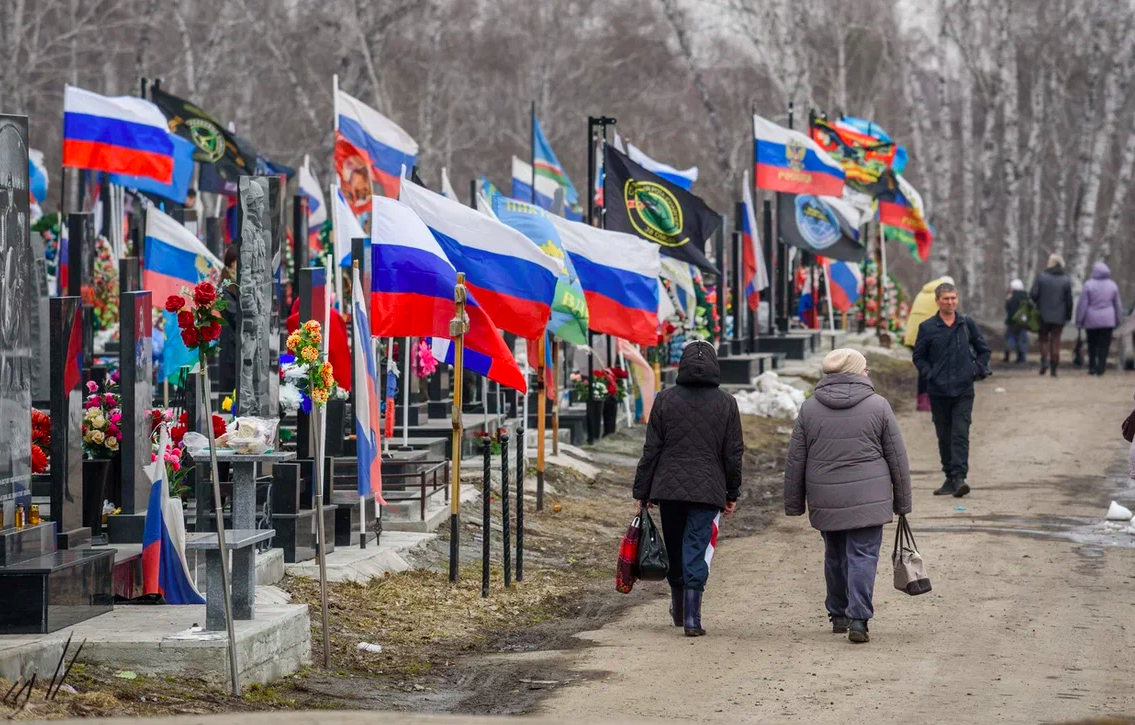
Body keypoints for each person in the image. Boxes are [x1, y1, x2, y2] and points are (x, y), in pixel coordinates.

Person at [784, 349, 912, 644]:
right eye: (865, 368)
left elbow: (795, 460)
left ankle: (839, 613)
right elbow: (897, 458)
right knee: (863, 555)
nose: (868, 372)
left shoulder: (810, 408)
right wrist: (903, 502)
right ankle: (859, 619)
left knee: (835, 555)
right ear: (856, 372)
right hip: (870, 496)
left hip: (825, 496)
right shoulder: (878, 406)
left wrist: (793, 503)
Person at [632, 340, 744, 637]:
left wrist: (642, 492)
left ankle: (679, 611)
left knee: (675, 546)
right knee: (695, 547)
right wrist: (731, 493)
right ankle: (693, 618)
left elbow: (652, 449)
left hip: (668, 488)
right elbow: (733, 453)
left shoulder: (665, 399)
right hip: (708, 489)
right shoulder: (726, 402)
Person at [912, 282, 991, 498]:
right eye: (946, 298)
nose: (950, 302)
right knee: (944, 435)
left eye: (953, 298)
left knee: (960, 433)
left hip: (964, 390)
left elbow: (984, 350)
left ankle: (959, 477)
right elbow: (918, 357)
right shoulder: (928, 327)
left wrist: (974, 370)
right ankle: (949, 477)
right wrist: (931, 374)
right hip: (938, 391)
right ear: (937, 301)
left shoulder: (966, 324)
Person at [904, 275, 955, 412]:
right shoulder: (941, 295)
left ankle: (922, 401)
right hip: (927, 335)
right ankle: (933, 400)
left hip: (913, 333)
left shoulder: (923, 292)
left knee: (925, 368)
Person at [1075, 261, 1123, 376]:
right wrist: (1118, 320)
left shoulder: (1088, 285)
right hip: (1108, 321)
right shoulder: (1113, 285)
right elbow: (1117, 305)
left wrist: (1079, 321)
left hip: (1091, 320)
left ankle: (1092, 366)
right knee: (1104, 345)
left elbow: (1082, 305)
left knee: (1092, 344)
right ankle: (1101, 367)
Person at [1030, 253, 1074, 376]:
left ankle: (1044, 361)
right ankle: (1054, 369)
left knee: (1043, 339)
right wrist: (1068, 315)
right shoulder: (1066, 279)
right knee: (1056, 341)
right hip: (1059, 316)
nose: (1047, 263)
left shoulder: (1041, 277)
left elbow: (1033, 294)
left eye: (1049, 261)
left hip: (1043, 314)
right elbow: (1069, 300)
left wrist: (1038, 302)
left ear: (1054, 263)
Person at [218, 246, 240, 396]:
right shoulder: (225, 287)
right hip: (232, 343)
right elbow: (234, 315)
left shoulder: (240, 283)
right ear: (232, 263)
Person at [1004, 278, 1029, 364]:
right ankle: (1022, 358)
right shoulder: (1026, 296)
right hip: (1023, 322)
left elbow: (1009, 310)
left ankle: (1007, 356)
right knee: (1022, 339)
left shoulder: (1012, 297)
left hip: (1013, 323)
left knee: (1011, 339)